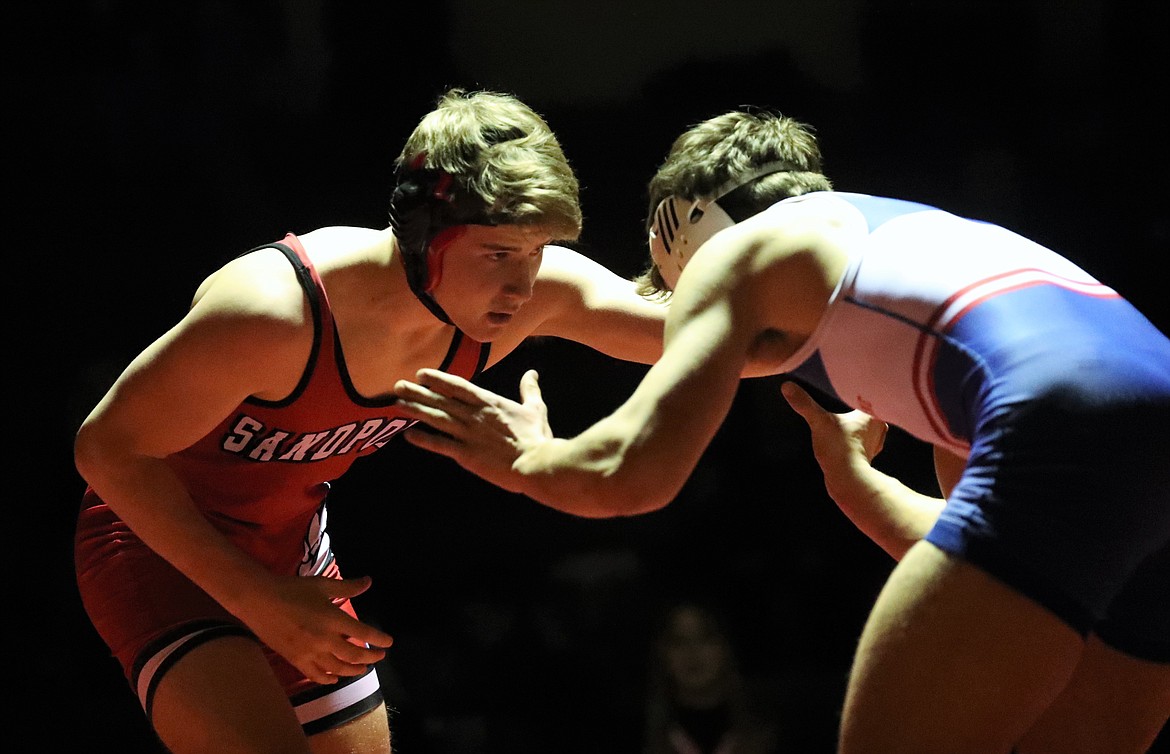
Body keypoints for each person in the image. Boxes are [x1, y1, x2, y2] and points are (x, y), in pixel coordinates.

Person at [390, 108, 1170, 752]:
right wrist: (858, 486)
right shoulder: (919, 251)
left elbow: (633, 475)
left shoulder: (737, 254)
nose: (681, 315)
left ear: (686, 227)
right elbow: (1016, 558)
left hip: (1057, 418)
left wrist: (531, 457)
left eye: (670, 290)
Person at [72, 87, 673, 754]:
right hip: (158, 546)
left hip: (291, 556)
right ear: (427, 237)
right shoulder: (273, 311)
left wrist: (777, 243)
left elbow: (702, 335)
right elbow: (106, 451)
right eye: (500, 255)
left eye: (536, 254)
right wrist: (255, 598)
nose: (524, 287)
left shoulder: (518, 300)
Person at [642, 599, 780, 754]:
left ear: (726, 648)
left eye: (705, 638)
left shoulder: (765, 736)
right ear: (662, 653)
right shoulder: (644, 738)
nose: (692, 652)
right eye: (678, 641)